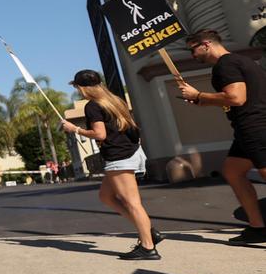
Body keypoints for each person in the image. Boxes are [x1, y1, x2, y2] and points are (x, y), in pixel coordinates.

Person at [61, 69, 163, 259]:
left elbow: (100, 134)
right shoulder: (114, 101)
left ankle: (148, 247)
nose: (77, 90)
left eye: (76, 87)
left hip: (119, 156)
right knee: (106, 196)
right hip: (129, 151)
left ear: (81, 87)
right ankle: (150, 232)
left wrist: (74, 129)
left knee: (132, 203)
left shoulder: (92, 106)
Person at [177, 29, 266, 245]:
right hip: (248, 129)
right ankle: (258, 228)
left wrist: (198, 95)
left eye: (193, 49)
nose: (192, 55)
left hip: (256, 128)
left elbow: (236, 97)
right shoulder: (241, 61)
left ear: (206, 44)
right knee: (233, 171)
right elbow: (234, 99)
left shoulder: (224, 65)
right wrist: (201, 100)